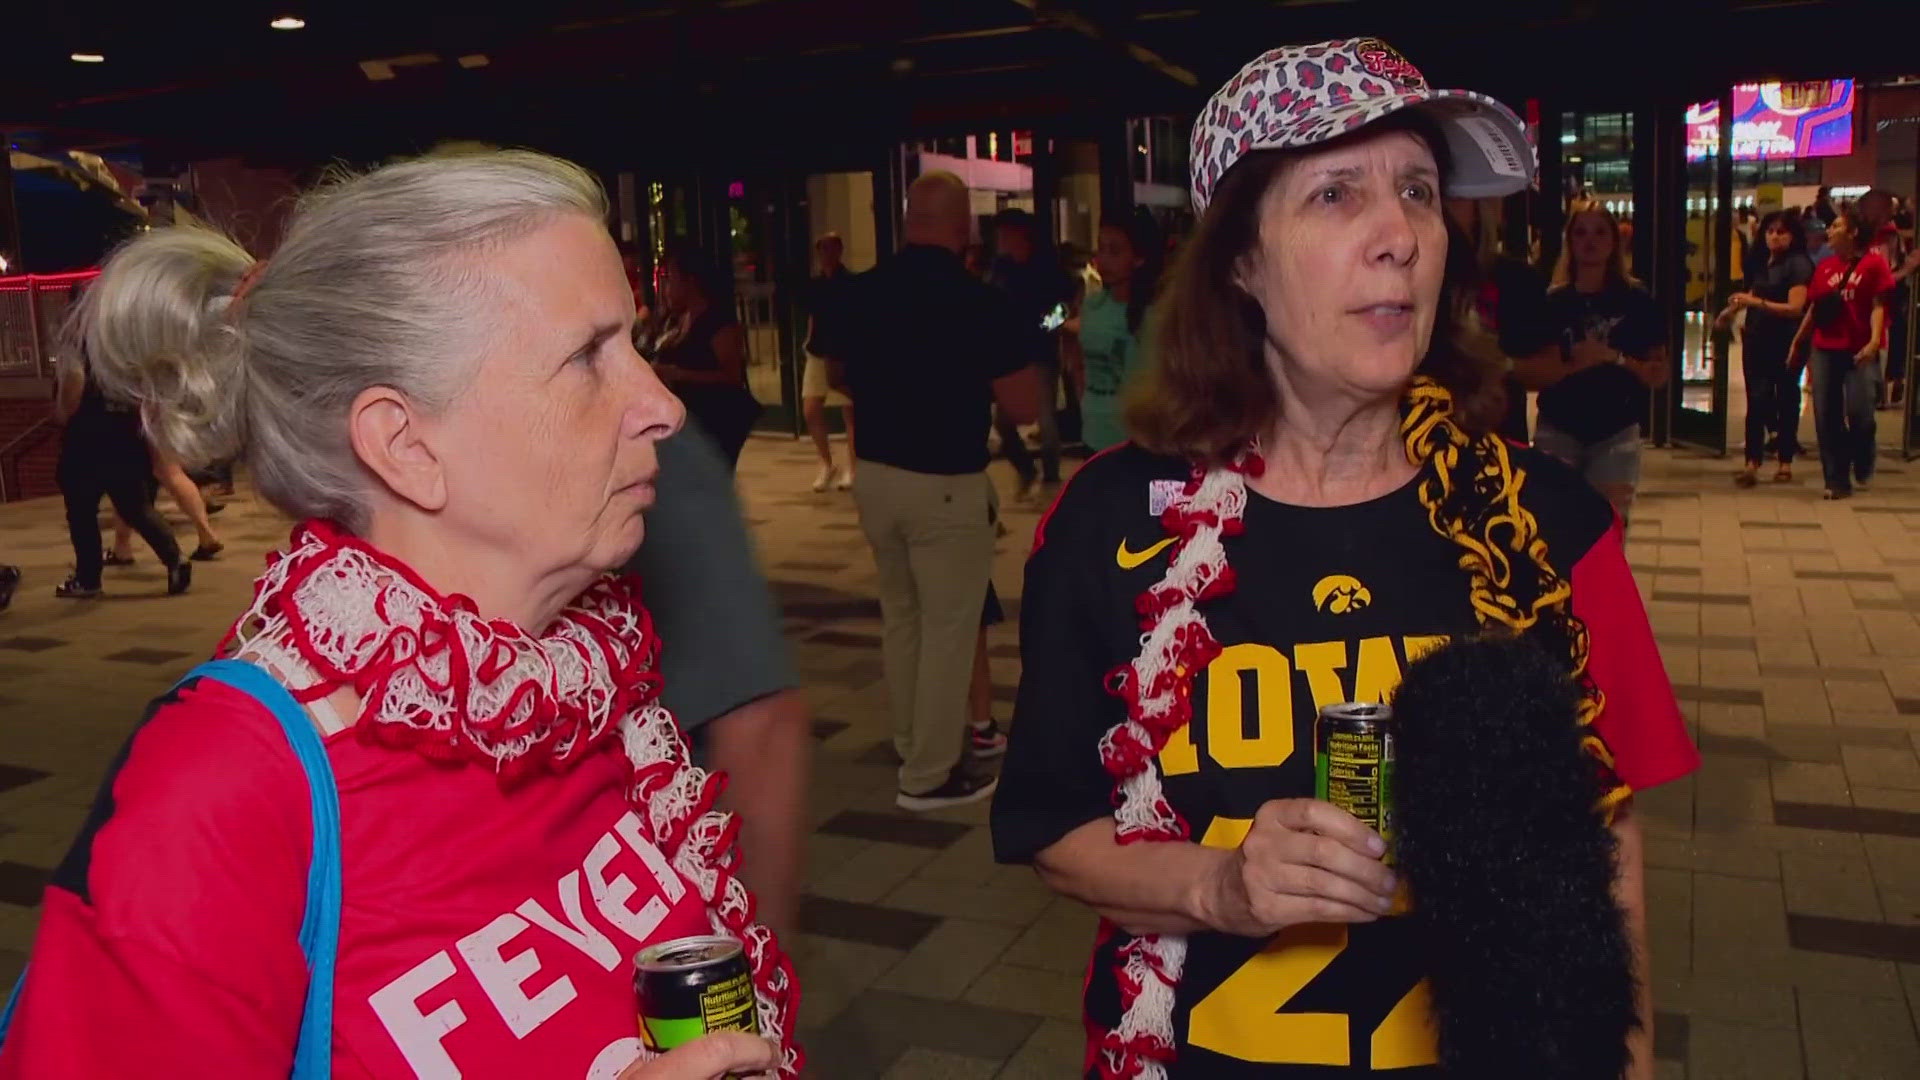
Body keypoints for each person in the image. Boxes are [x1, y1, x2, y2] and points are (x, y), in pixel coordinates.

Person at [0, 151, 797, 1079]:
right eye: (587, 357)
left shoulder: (587, 686)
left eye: (633, 344)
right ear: (406, 445)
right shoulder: (224, 786)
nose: (659, 404)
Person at [991, 38, 1696, 1080]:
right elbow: (1056, 829)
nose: (1400, 235)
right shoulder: (1110, 523)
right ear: (1239, 260)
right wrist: (1220, 887)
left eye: (1418, 189)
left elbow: (1609, 850)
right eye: (1334, 195)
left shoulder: (1547, 524)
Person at [810, 171, 1043, 811]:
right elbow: (1022, 403)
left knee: (904, 618)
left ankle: (914, 743)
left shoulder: (860, 292)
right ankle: (931, 775)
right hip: (945, 481)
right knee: (949, 626)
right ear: (964, 225)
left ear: (909, 219)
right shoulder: (978, 302)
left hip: (877, 477)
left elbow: (834, 370)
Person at [625, 418, 811, 933]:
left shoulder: (655, 454)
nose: (659, 398)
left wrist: (747, 982)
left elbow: (762, 727)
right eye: (590, 352)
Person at [1523, 204, 1670, 526]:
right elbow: (1530, 371)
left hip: (1616, 430)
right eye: (1580, 232)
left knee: (1607, 529)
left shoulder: (1636, 299)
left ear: (1615, 241)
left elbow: (1658, 374)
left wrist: (1618, 359)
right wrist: (1574, 362)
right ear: (1569, 242)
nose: (1590, 241)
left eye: (1600, 232)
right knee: (1554, 528)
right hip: (1559, 427)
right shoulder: (1553, 302)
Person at [49, 324, 190, 600]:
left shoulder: (78, 346)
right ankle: (176, 560)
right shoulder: (126, 346)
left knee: (82, 513)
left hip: (86, 439)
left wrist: (63, 414)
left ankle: (88, 579)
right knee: (136, 506)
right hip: (125, 434)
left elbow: (73, 388)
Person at [1790, 208, 1895, 500]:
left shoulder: (1874, 265)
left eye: (1836, 226)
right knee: (1826, 414)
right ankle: (1836, 479)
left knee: (1861, 413)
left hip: (1860, 348)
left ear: (1853, 233)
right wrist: (1798, 343)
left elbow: (1878, 305)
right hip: (1825, 347)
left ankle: (1863, 454)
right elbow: (1815, 309)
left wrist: (1875, 342)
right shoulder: (1824, 268)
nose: (1830, 230)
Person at [1446, 196, 1557, 444]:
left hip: (1500, 444)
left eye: (1453, 196)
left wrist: (1493, 366)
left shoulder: (1518, 280)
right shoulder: (1403, 280)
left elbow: (1549, 366)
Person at [1719, 211, 1813, 485]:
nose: (1774, 236)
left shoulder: (1798, 264)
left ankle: (1785, 461)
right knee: (1757, 399)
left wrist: (1754, 303)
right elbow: (1750, 294)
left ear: (1793, 235)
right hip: (1757, 337)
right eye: (1770, 230)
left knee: (1785, 397)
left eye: (1781, 231)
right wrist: (1730, 311)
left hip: (1786, 339)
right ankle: (1752, 462)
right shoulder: (1759, 261)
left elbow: (1796, 308)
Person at [652, 242, 761, 469]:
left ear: (690, 281)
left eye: (671, 279)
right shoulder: (675, 320)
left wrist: (679, 374)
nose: (666, 287)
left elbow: (732, 376)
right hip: (684, 425)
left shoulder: (717, 322)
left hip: (712, 423)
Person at [989, 208, 1074, 500]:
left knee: (1046, 418)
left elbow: (1064, 305)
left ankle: (1050, 477)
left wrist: (1045, 326)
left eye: (1005, 234)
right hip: (1011, 354)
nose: (1001, 240)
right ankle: (1026, 469)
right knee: (1003, 421)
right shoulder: (1001, 268)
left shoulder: (1045, 266)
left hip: (1039, 352)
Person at [1070, 210, 1162, 452]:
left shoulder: (1153, 314)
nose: (1103, 259)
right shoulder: (1091, 304)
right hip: (1092, 427)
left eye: (1115, 251)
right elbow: (1078, 359)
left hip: (1137, 434)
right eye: (1100, 249)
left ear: (1138, 258)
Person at [799, 233, 855, 492]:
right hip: (819, 350)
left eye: (831, 249)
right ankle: (826, 462)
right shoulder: (816, 285)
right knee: (811, 407)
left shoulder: (850, 283)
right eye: (822, 250)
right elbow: (813, 315)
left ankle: (852, 467)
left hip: (844, 352)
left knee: (850, 412)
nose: (826, 255)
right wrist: (808, 341)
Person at [108, 443, 224, 564]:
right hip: (161, 427)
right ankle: (207, 534)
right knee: (172, 472)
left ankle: (122, 549)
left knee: (124, 473)